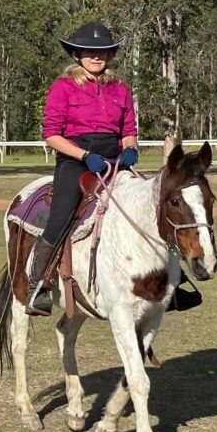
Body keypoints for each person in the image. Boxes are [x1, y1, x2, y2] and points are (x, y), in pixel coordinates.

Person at [25, 22, 138, 316]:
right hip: (76, 160)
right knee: (61, 214)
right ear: (78, 53)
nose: (96, 56)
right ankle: (39, 285)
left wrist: (130, 149)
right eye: (89, 51)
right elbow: (52, 135)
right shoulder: (63, 87)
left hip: (114, 160)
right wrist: (85, 155)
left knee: (152, 201)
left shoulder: (120, 89)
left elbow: (129, 129)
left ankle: (173, 282)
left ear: (110, 54)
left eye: (102, 51)